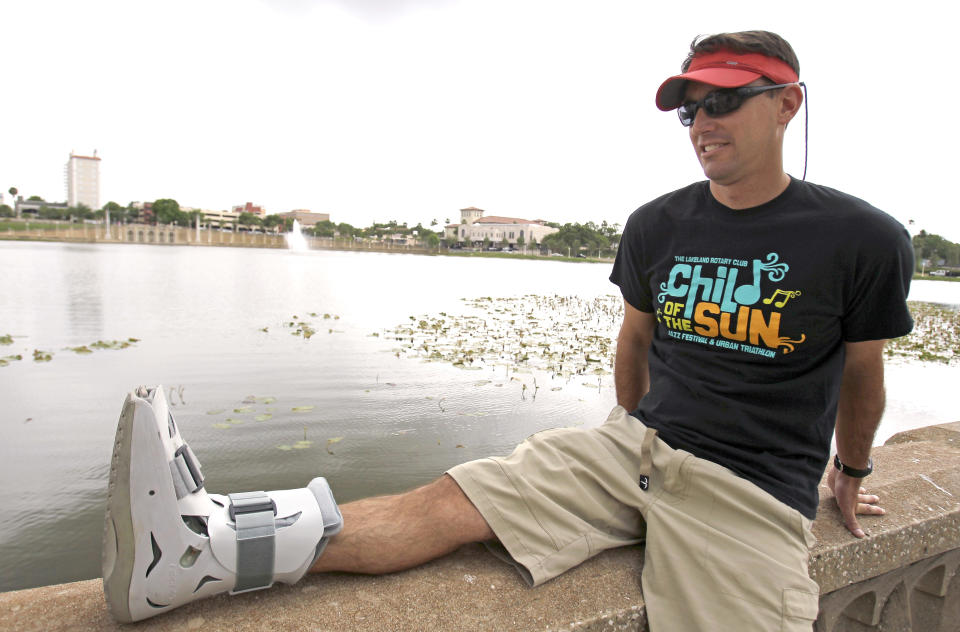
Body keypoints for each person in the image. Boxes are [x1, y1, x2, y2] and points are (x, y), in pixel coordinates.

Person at [102, 30, 914, 630]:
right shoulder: (657, 224)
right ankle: (201, 550)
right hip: (633, 449)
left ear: (787, 103)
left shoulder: (861, 239)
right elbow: (633, 346)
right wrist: (627, 429)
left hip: (746, 489)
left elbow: (860, 374)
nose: (703, 121)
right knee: (441, 506)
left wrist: (848, 469)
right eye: (690, 109)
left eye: (724, 101)